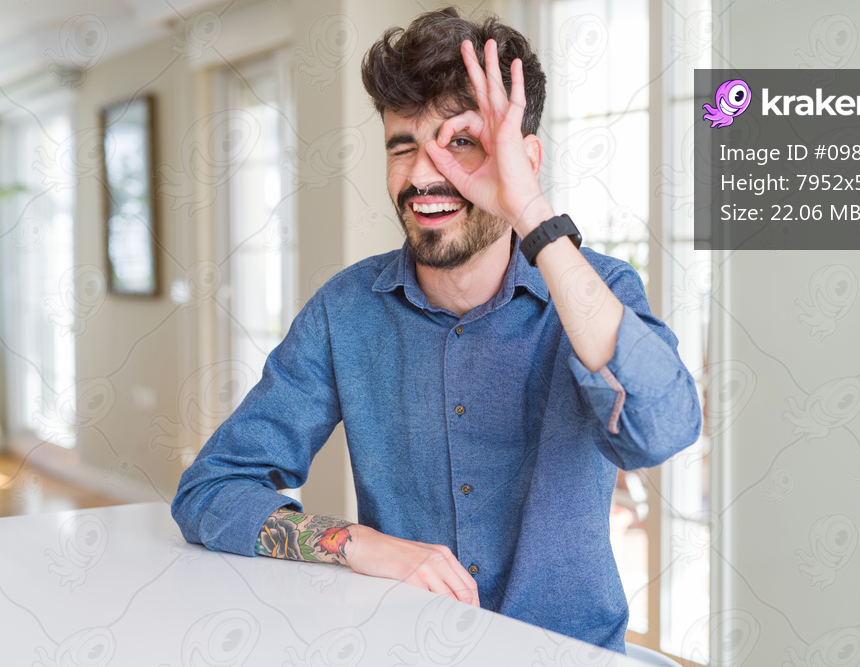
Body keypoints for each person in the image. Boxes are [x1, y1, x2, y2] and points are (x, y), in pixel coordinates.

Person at [171, 6, 702, 654]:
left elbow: (665, 427)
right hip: (407, 648)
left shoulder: (596, 292)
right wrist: (358, 545)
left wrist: (530, 210)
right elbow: (211, 489)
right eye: (403, 146)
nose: (425, 175)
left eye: (461, 144)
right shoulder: (345, 312)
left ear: (523, 159)